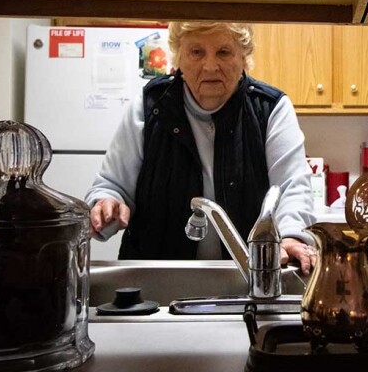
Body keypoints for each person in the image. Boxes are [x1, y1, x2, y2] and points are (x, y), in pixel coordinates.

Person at [85, 21, 317, 273]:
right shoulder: (149, 105)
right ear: (180, 57)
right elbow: (111, 186)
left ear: (243, 57)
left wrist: (292, 234)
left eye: (223, 52)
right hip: (156, 277)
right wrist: (107, 204)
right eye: (196, 52)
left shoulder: (270, 108)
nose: (210, 66)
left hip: (248, 278)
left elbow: (291, 186)